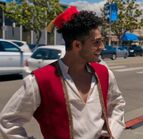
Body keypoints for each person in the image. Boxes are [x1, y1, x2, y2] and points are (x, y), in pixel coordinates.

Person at [0, 6, 125, 139]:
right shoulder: (40, 81)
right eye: (96, 42)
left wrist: (112, 134)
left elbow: (117, 104)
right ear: (77, 45)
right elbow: (8, 121)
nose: (102, 47)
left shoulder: (104, 73)